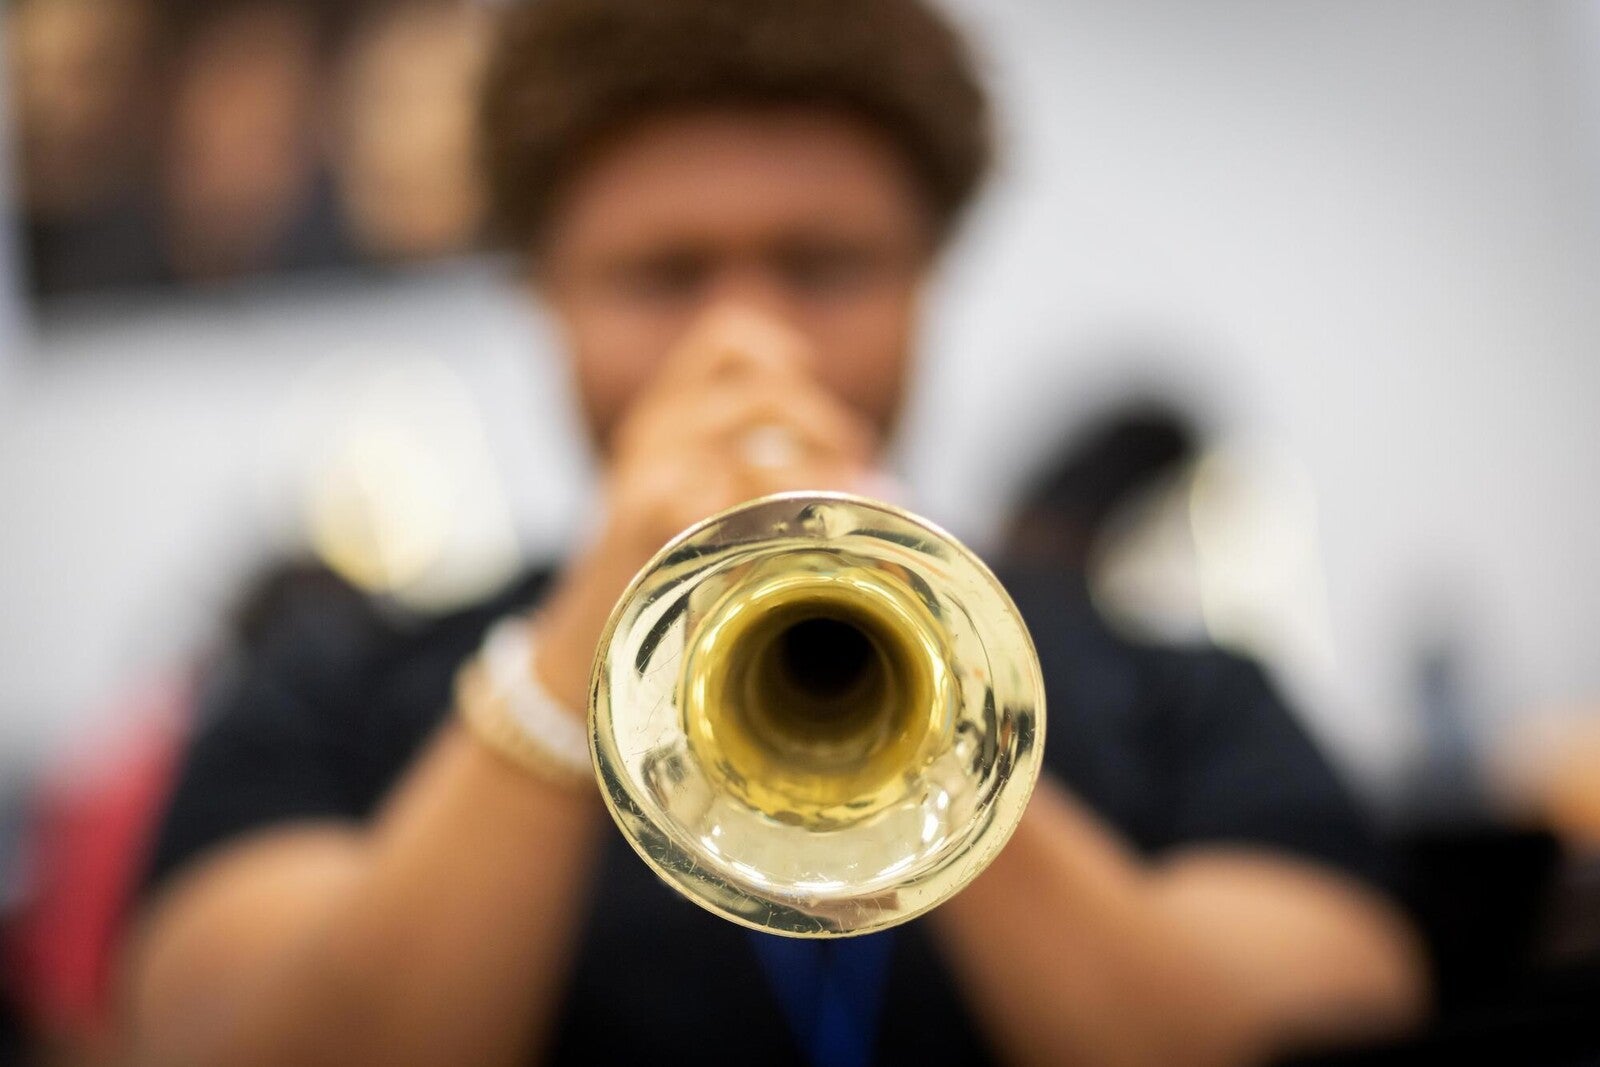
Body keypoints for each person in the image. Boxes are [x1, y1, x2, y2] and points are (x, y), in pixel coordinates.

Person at [122, 2, 1429, 1065]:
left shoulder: (1180, 685)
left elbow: (1309, 1023)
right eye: (662, 274)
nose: (747, 344)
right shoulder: (328, 688)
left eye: (824, 264)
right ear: (543, 300)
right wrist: (583, 647)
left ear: (929, 279)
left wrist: (938, 732)